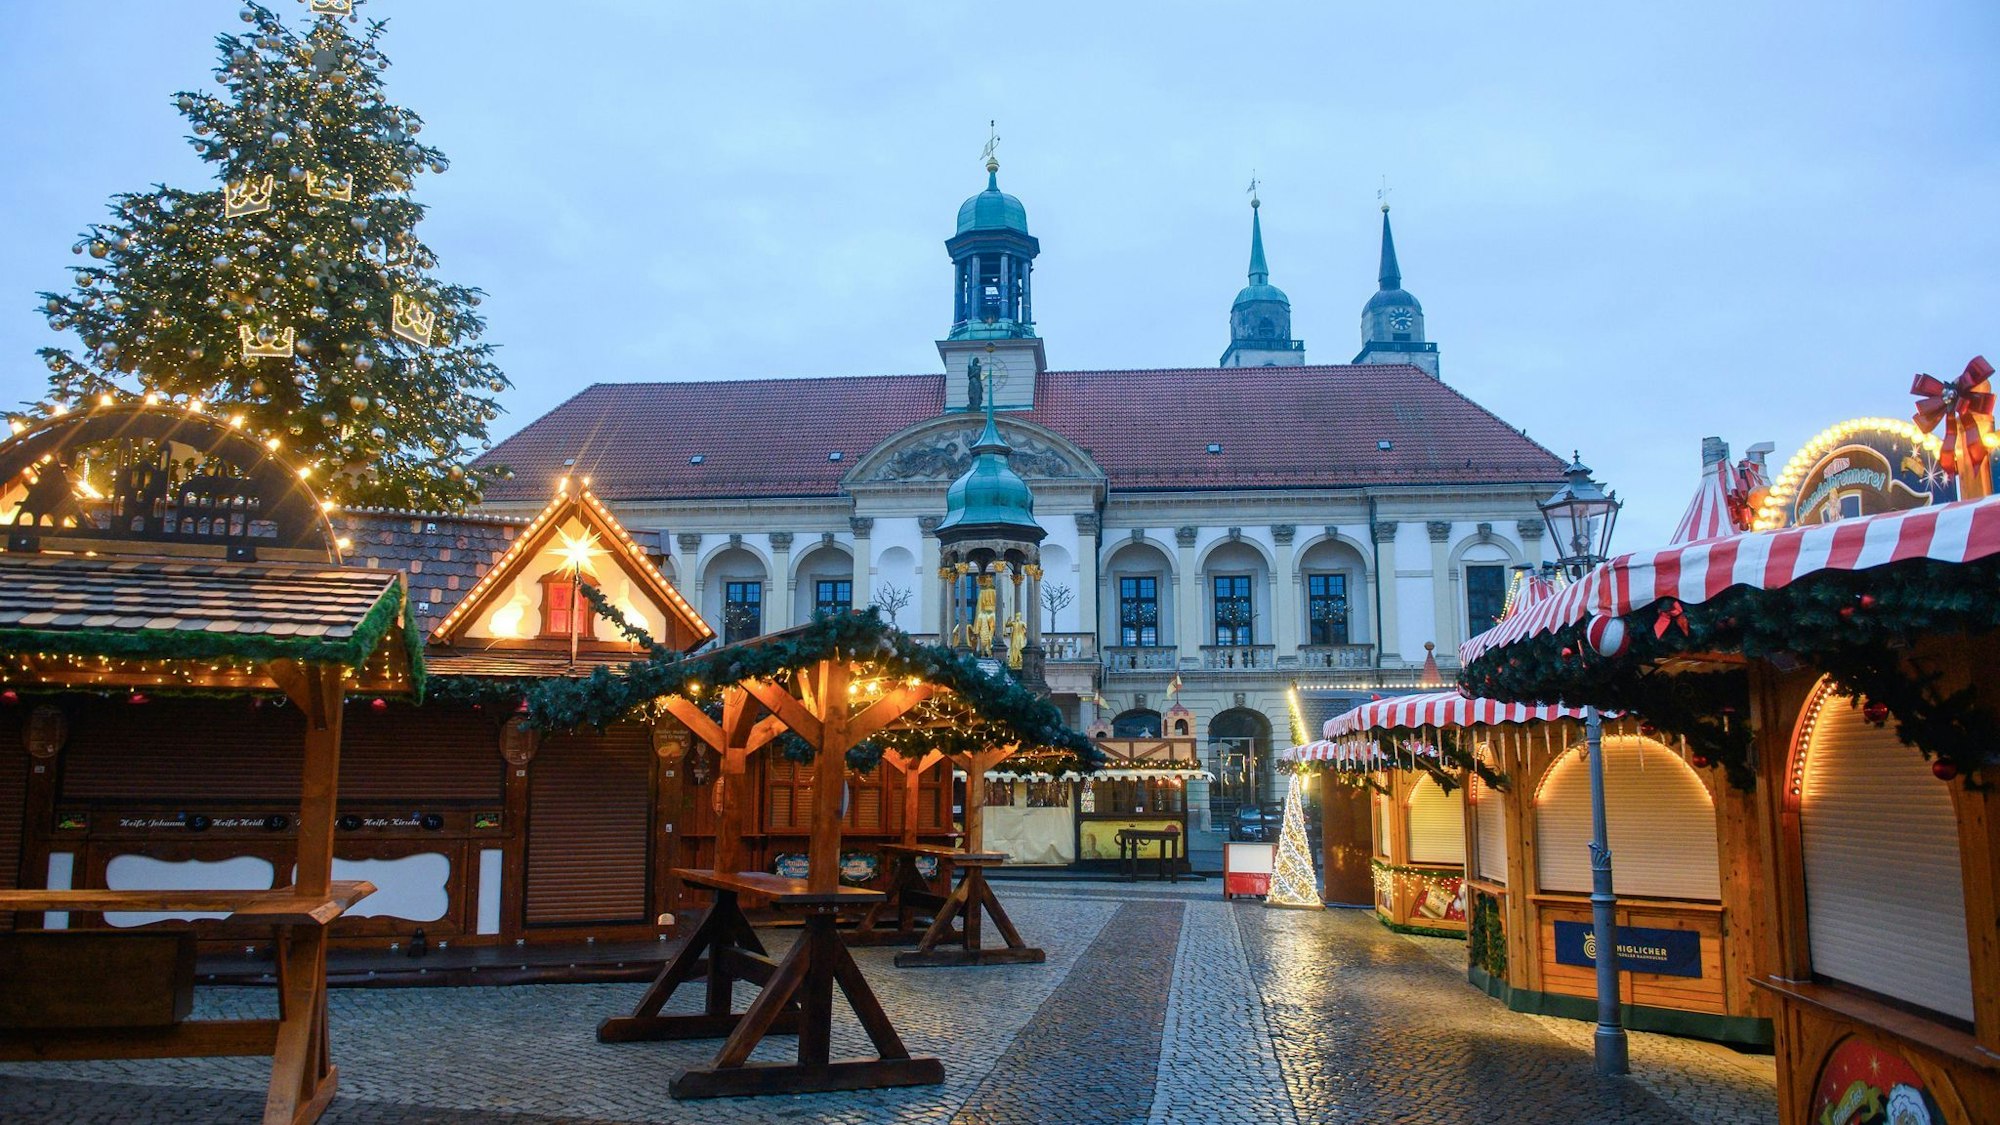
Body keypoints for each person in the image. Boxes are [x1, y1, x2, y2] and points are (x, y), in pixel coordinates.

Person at [972, 574, 998, 654]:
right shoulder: (995, 591)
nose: (988, 578)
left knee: (982, 631)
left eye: (989, 577)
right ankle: (989, 644)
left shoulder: (982, 591)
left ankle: (983, 649)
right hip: (993, 613)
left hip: (984, 613)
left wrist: (979, 616)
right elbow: (998, 605)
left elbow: (979, 606)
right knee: (992, 630)